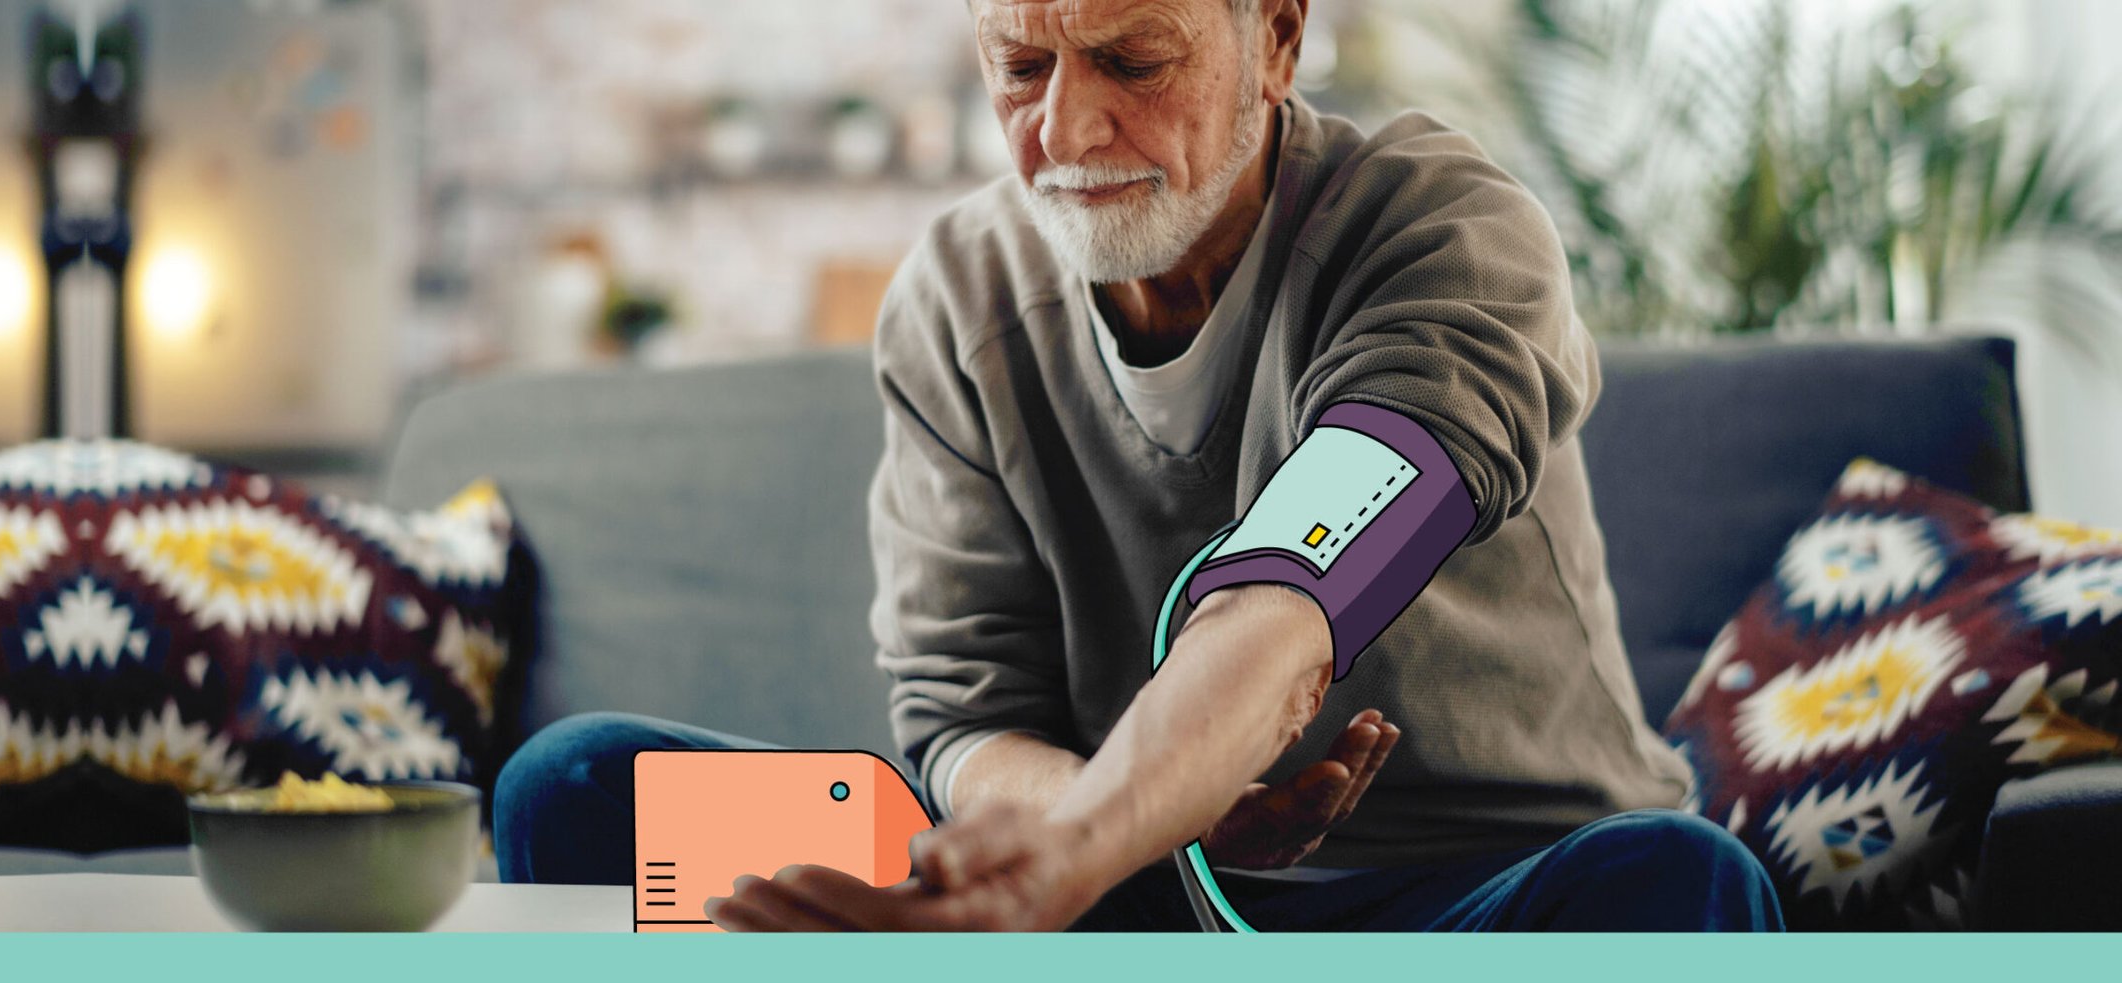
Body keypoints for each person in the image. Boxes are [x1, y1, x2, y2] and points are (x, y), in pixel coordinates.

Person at [494, 0, 1783, 932]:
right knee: (588, 790)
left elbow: (1296, 596)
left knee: (1680, 887)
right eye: (1019, 66)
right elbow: (967, 719)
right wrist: (1103, 839)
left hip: (1457, 895)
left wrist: (1064, 862)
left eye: (1131, 59)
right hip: (1119, 891)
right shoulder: (957, 296)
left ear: (1276, 38)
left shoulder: (1442, 228)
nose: (1065, 126)